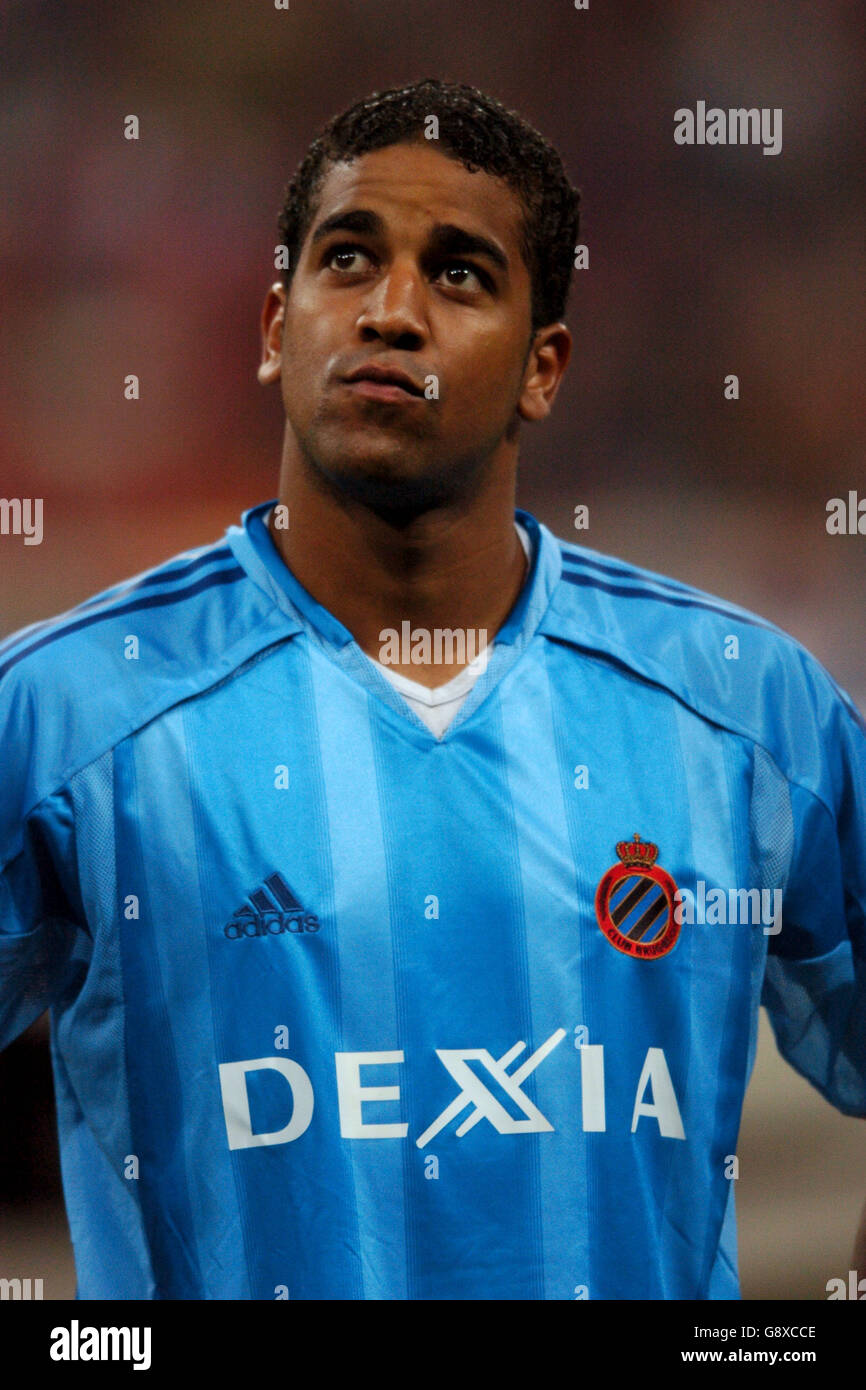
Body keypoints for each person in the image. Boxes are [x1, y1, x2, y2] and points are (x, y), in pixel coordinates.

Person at [0, 79, 863, 1301]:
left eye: (459, 274)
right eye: (346, 260)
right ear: (271, 325)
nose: (391, 311)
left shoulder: (743, 710)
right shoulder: (65, 716)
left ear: (541, 367)